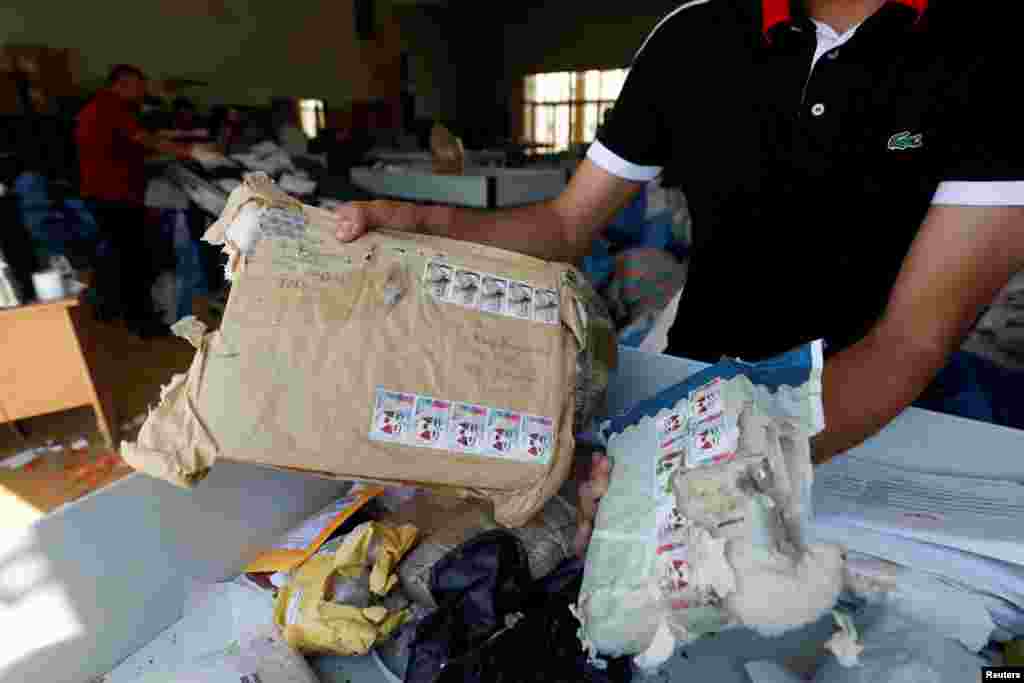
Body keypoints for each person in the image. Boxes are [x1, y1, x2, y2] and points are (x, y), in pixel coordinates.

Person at [333, 1, 1024, 555]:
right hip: (683, 385)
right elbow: (567, 225)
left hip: (853, 429)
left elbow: (905, 342)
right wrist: (429, 227)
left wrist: (703, 449)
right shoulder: (698, 37)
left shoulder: (989, 55)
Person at [76, 64, 223, 337]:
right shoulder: (110, 109)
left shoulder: (98, 108)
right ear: (122, 84)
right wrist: (192, 151)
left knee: (115, 254)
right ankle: (142, 322)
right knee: (135, 259)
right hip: (115, 193)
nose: (141, 93)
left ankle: (105, 308)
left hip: (102, 191)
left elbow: (127, 147)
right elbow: (143, 139)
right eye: (138, 87)